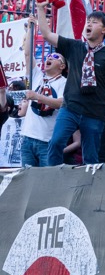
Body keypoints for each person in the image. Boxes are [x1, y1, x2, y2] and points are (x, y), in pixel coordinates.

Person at [36, 0, 105, 166]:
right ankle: (53, 177)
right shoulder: (74, 46)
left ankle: (89, 188)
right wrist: (41, 9)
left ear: (104, 30)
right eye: (88, 21)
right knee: (55, 143)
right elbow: (47, 35)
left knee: (90, 157)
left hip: (94, 112)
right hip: (70, 108)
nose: (89, 24)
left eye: (95, 22)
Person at [19, 21, 68, 167]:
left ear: (62, 66)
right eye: (48, 56)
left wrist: (37, 96)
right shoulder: (38, 76)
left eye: (55, 56)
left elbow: (61, 103)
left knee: (46, 183)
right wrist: (30, 30)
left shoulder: (64, 82)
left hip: (46, 142)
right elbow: (27, 55)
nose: (49, 57)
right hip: (27, 138)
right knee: (27, 181)